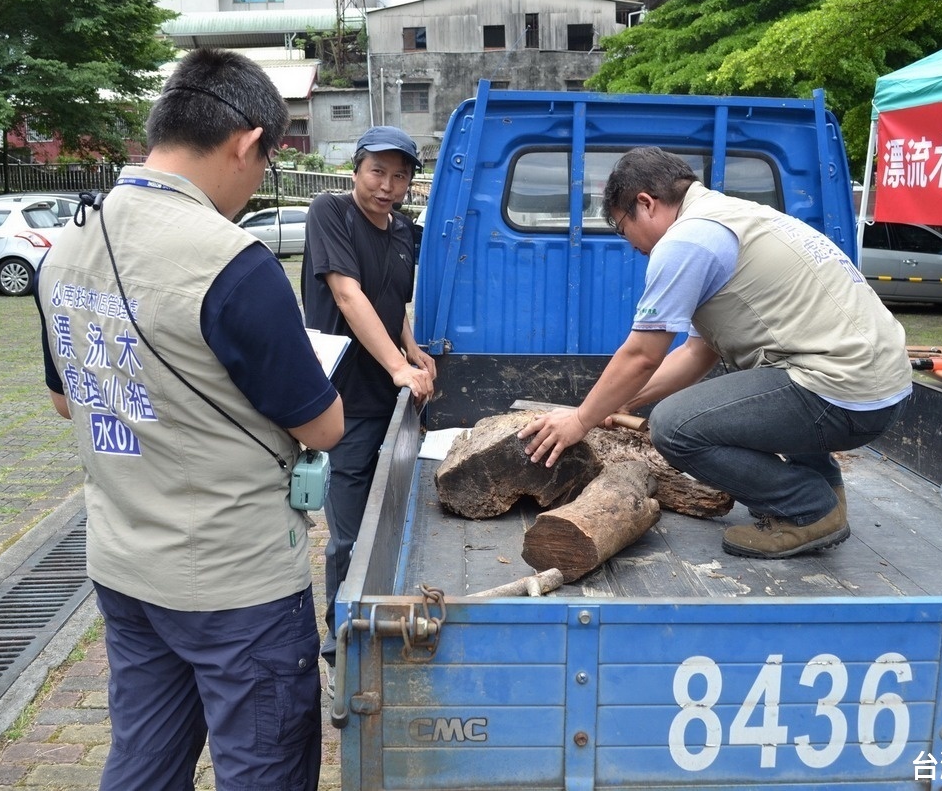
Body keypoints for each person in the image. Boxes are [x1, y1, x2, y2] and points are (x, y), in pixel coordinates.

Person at [34, 48, 344, 790]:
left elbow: (64, 397)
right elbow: (324, 427)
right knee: (262, 767)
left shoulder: (67, 246)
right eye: (266, 162)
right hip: (235, 581)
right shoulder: (232, 262)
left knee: (143, 760)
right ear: (247, 143)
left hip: (124, 565)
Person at [518, 146, 911, 559]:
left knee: (673, 426)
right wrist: (623, 401)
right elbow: (696, 352)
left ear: (645, 203)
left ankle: (807, 510)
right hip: (879, 384)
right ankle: (824, 498)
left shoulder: (687, 241)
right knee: (763, 381)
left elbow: (642, 355)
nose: (629, 244)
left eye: (621, 227)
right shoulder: (728, 217)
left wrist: (581, 419)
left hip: (844, 391)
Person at [300, 125, 436, 673]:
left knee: (393, 525)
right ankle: (340, 646)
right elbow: (347, 293)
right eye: (377, 171)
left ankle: (379, 625)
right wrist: (400, 368)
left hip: (391, 398)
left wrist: (412, 350)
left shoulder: (403, 232)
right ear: (356, 169)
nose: (387, 185)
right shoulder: (329, 213)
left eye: (399, 176)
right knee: (350, 537)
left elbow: (388, 304)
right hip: (344, 402)